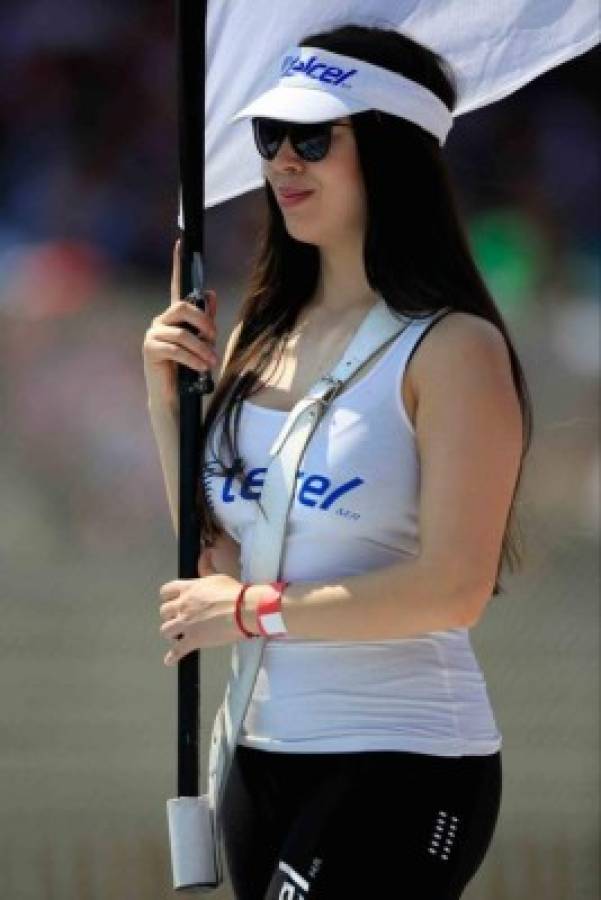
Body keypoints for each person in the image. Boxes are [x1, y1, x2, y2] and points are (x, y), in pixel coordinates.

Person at [143, 23, 531, 900]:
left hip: (404, 756)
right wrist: (167, 404)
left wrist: (248, 611)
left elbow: (453, 590)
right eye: (268, 136)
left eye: (312, 138)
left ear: (389, 150)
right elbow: (216, 565)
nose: (281, 160)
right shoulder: (260, 333)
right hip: (259, 751)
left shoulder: (453, 349)